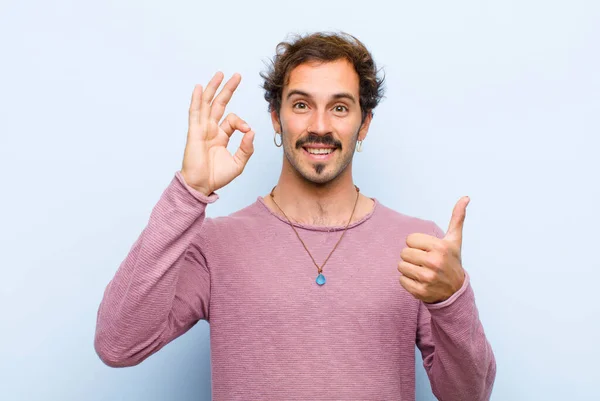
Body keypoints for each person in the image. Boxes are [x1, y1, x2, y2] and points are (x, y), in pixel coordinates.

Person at [94, 31, 496, 400]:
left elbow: (469, 396)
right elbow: (117, 344)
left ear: (364, 124)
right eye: (301, 105)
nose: (319, 126)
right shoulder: (214, 245)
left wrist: (452, 298)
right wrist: (190, 191)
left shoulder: (417, 247)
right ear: (276, 117)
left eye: (340, 107)